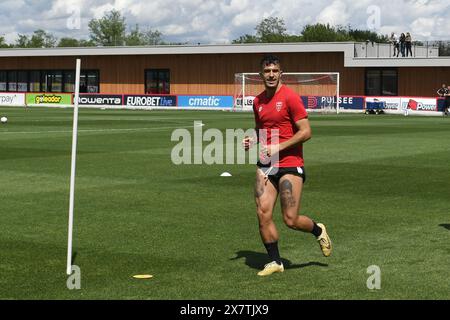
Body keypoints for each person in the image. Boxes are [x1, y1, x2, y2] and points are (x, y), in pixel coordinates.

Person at [242, 54, 332, 276]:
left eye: (275, 71)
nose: (271, 75)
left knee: (290, 219)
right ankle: (275, 262)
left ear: (281, 73)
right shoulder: (257, 101)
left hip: (290, 163)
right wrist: (253, 139)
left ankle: (318, 229)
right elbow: (260, 128)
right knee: (262, 212)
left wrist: (278, 147)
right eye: (267, 71)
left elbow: (306, 132)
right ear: (261, 75)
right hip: (266, 163)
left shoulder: (290, 98)